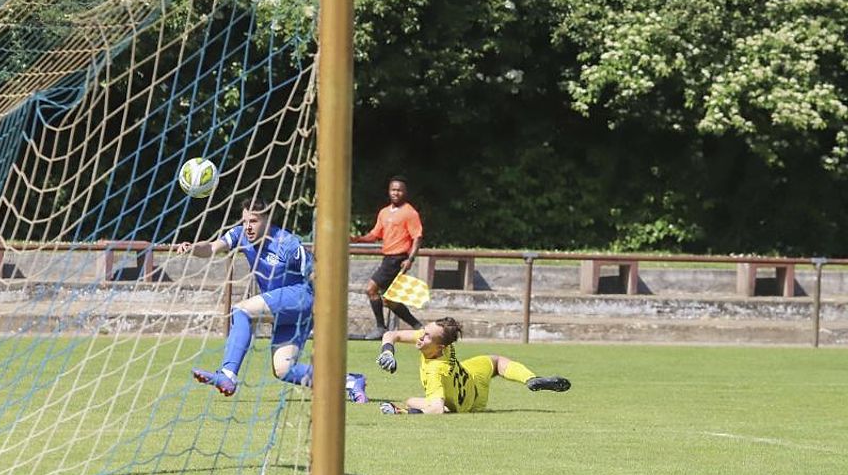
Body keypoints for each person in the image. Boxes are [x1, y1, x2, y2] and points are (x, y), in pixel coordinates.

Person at [177, 197, 368, 403]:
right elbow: (212, 247)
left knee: (241, 310)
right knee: (284, 369)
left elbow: (318, 274)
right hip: (284, 310)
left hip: (301, 298)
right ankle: (350, 381)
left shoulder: (288, 243)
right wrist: (192, 247)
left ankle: (228, 374)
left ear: (268, 220)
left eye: (254, 221)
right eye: (245, 221)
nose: (248, 227)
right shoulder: (240, 234)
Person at [374, 317, 570, 414]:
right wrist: (387, 350)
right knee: (496, 361)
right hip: (470, 374)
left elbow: (436, 409)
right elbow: (392, 334)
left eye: (426, 336)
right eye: (423, 331)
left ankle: (406, 409)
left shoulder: (436, 371)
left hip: (471, 403)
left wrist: (408, 403)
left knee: (424, 402)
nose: (420, 336)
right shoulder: (442, 345)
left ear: (440, 347)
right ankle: (530, 378)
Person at [350, 176, 424, 340]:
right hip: (387, 258)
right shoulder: (384, 212)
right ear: (389, 191)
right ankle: (418, 327)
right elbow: (375, 234)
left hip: (397, 258)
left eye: (399, 190)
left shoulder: (410, 212)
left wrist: (410, 259)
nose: (396, 193)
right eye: (393, 190)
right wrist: (358, 239)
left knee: (371, 289)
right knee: (390, 300)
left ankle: (380, 328)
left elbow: (417, 237)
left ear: (405, 192)